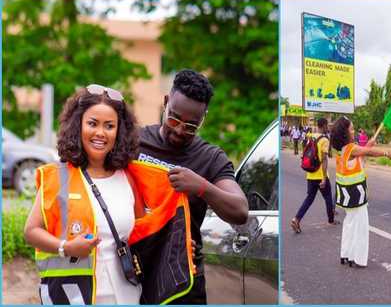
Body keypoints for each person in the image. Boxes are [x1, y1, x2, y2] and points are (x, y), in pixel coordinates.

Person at [24, 85, 144, 304]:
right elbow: (31, 231)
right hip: (74, 296)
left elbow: (145, 231)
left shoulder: (128, 177)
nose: (100, 132)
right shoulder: (57, 177)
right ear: (77, 125)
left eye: (109, 126)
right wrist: (65, 248)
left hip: (127, 294)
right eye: (92, 123)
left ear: (119, 132)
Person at [137, 69, 249, 304]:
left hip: (182, 283)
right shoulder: (134, 142)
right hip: (133, 275)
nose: (179, 130)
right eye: (174, 119)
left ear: (203, 118)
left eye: (190, 126)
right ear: (166, 102)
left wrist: (201, 186)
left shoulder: (210, 158)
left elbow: (240, 211)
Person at [330, 116, 391, 268]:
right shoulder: (352, 149)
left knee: (349, 223)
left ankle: (345, 254)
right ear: (345, 133)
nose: (354, 131)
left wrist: (368, 145)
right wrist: (386, 153)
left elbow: (363, 152)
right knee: (360, 226)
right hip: (356, 195)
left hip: (345, 195)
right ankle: (356, 258)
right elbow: (368, 152)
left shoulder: (342, 149)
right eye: (351, 129)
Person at [291, 118, 338, 233]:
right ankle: (331, 220)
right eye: (327, 125)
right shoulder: (324, 140)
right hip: (320, 175)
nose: (328, 127)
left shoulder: (310, 137)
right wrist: (323, 178)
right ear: (325, 125)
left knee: (309, 199)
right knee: (328, 198)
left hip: (310, 174)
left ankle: (296, 219)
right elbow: (325, 160)